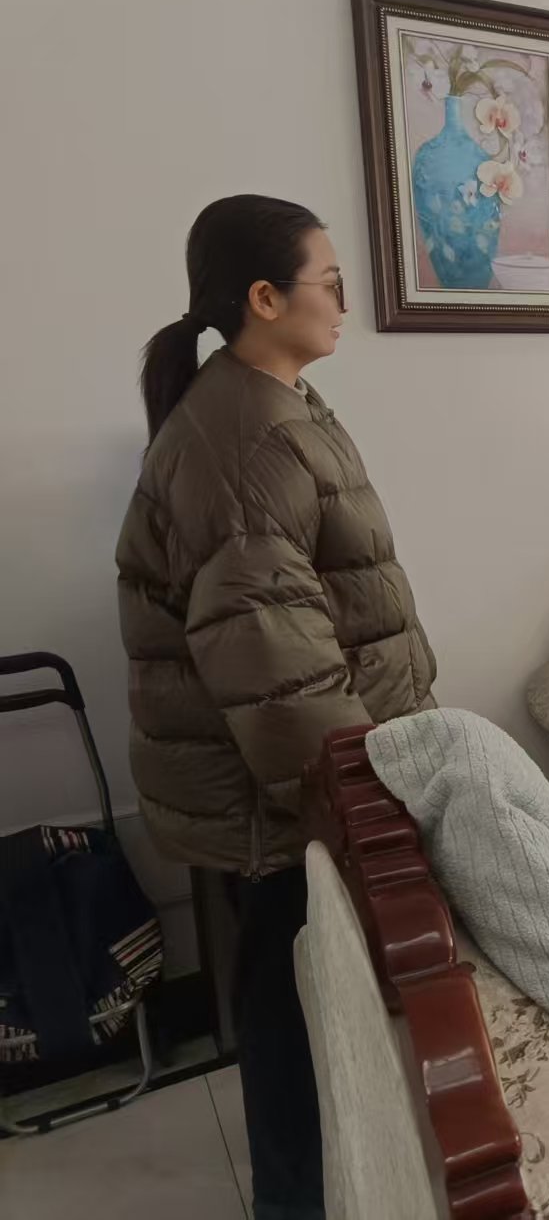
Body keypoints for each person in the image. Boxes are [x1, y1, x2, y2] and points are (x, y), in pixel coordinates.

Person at [116, 195, 436, 1220]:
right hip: (282, 795)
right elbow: (274, 666)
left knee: (303, 998)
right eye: (328, 281)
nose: (344, 300)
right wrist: (356, 799)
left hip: (298, 783)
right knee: (293, 1012)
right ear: (264, 298)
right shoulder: (241, 442)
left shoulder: (270, 403)